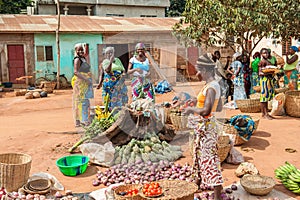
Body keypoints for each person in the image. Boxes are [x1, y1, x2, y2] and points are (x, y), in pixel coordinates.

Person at [182, 53, 223, 200]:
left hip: (207, 128)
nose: (197, 73)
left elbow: (206, 110)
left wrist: (192, 110)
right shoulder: (211, 86)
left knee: (209, 160)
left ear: (205, 70)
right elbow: (217, 107)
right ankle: (197, 184)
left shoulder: (212, 87)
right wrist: (196, 101)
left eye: (199, 70)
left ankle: (217, 195)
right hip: (204, 126)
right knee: (199, 156)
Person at [96, 46, 128, 111]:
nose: (110, 54)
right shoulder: (105, 61)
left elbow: (123, 69)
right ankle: (112, 114)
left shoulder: (118, 60)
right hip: (110, 85)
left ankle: (120, 115)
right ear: (105, 55)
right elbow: (107, 71)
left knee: (120, 100)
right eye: (108, 53)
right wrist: (110, 61)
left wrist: (123, 73)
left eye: (111, 52)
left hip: (119, 84)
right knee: (110, 100)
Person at [72, 43, 94, 127]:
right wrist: (86, 79)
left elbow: (86, 53)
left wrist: (87, 46)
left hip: (85, 82)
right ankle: (82, 120)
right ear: (76, 51)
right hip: (81, 83)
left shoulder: (83, 58)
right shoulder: (77, 60)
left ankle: (81, 120)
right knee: (81, 101)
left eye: (82, 49)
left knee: (84, 101)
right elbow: (75, 72)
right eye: (79, 50)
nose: (81, 51)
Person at [258, 48, 276, 120]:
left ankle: (266, 113)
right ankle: (263, 114)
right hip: (264, 80)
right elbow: (260, 72)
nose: (266, 54)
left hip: (268, 80)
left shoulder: (267, 61)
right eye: (264, 53)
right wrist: (268, 72)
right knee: (263, 97)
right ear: (261, 54)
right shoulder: (262, 61)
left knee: (267, 97)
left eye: (267, 53)